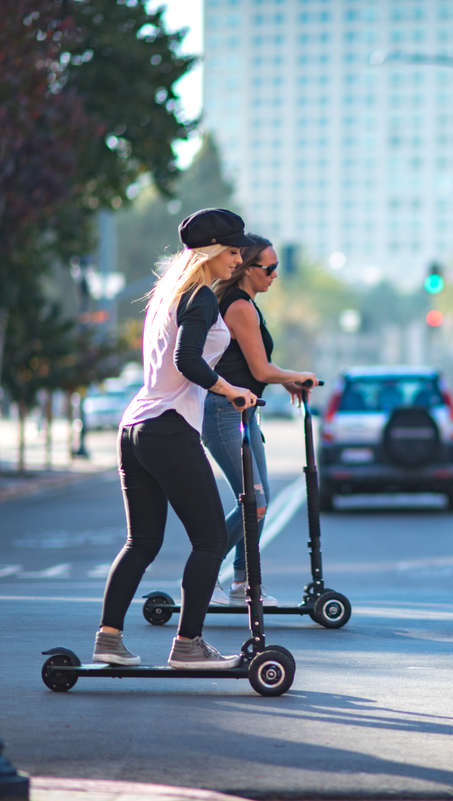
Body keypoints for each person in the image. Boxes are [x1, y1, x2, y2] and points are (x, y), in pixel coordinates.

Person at [92, 208, 258, 670]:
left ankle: (108, 638)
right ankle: (188, 644)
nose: (238, 259)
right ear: (211, 251)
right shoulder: (201, 296)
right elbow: (187, 361)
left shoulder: (167, 294)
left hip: (135, 427)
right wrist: (231, 390)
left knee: (141, 542)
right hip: (168, 426)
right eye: (232, 250)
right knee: (209, 540)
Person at [201, 233, 317, 605]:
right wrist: (295, 377)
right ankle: (201, 577)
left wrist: (285, 381)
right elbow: (261, 369)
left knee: (257, 500)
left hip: (245, 412)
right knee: (255, 500)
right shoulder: (238, 306)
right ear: (247, 269)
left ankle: (242, 585)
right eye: (268, 268)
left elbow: (255, 371)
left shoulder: (247, 303)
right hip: (223, 412)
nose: (274, 275)